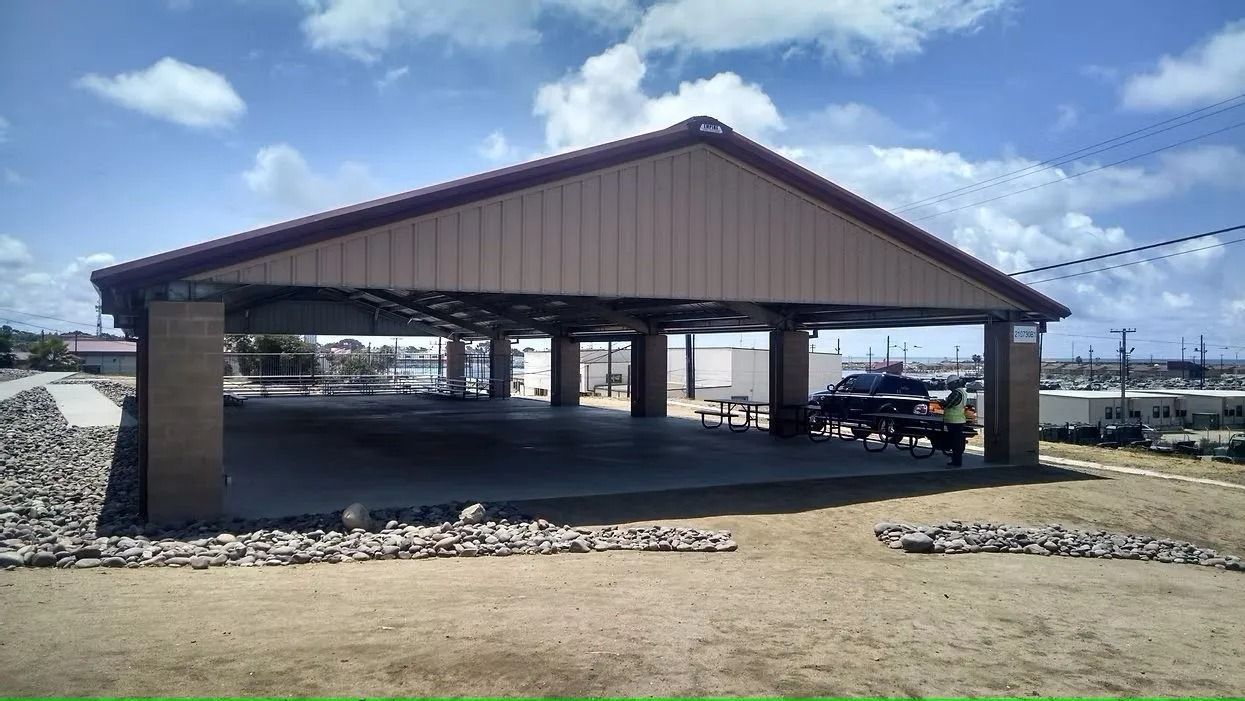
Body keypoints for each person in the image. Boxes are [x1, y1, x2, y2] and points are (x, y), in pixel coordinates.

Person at [942, 375, 968, 468]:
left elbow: (948, 404)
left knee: (955, 443)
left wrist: (942, 403)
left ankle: (956, 462)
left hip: (954, 421)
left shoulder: (956, 393)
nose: (948, 387)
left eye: (949, 384)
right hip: (959, 420)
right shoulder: (963, 392)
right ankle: (956, 460)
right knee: (956, 442)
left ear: (954, 383)